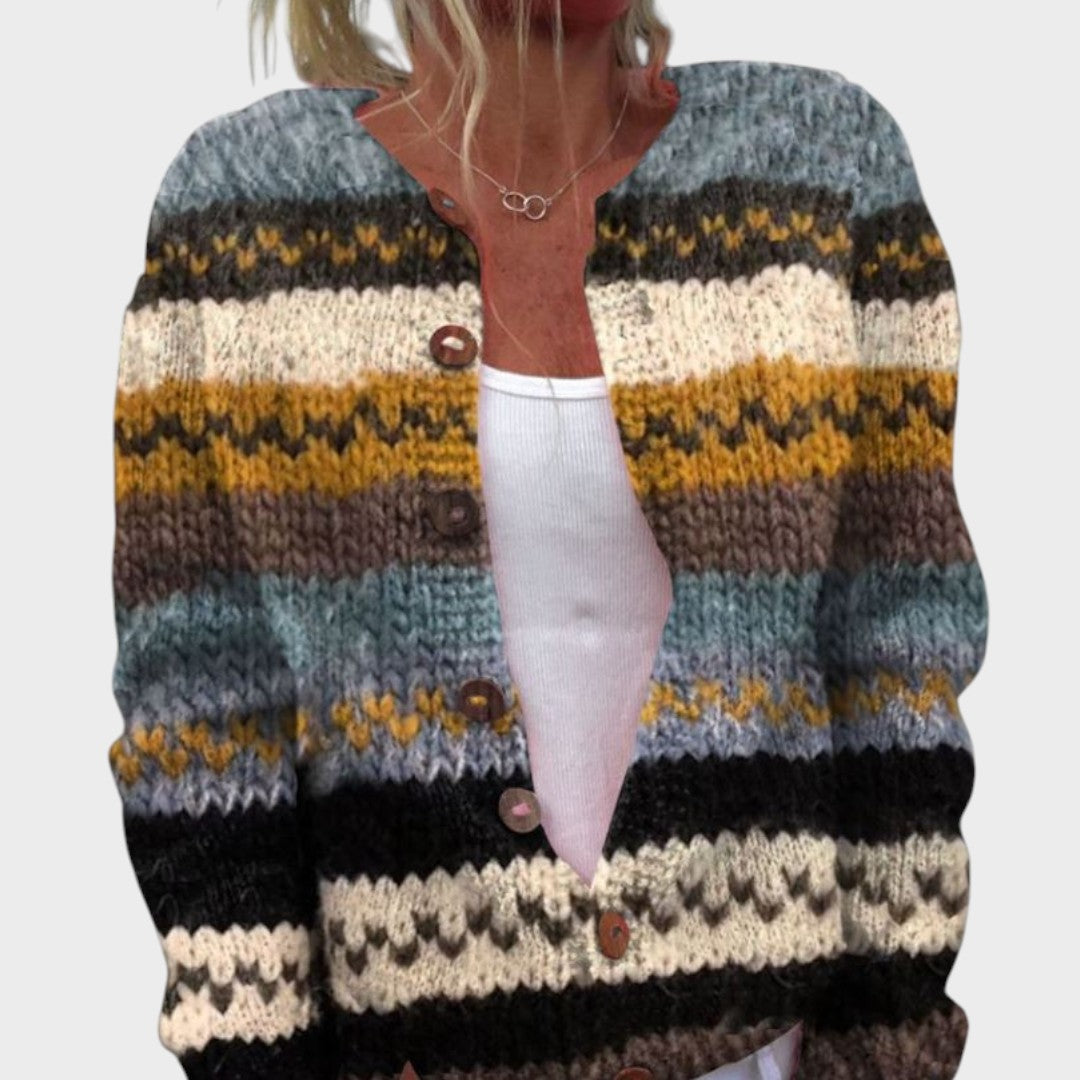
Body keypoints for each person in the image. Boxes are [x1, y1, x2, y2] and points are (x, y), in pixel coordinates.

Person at [107, 2, 985, 1078]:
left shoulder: (816, 167)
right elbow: (202, 721)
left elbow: (897, 660)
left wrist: (888, 1052)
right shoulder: (248, 209)